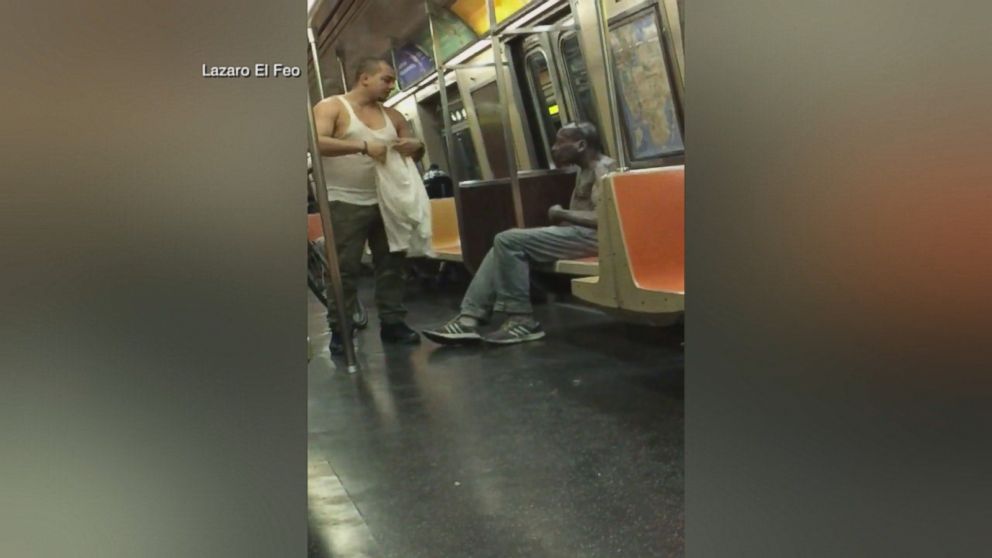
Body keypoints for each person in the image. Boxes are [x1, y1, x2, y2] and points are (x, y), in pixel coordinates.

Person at [422, 122, 616, 345]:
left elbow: (604, 219)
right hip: (579, 235)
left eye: (560, 142)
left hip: (595, 239)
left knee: (508, 239)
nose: (554, 148)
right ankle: (468, 319)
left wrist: (562, 213)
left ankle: (521, 320)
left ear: (581, 145)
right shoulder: (584, 169)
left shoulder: (603, 170)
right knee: (501, 247)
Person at [313, 57, 425, 354]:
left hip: (388, 199)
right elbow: (314, 142)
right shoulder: (332, 107)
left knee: (392, 264)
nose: (391, 85)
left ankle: (393, 322)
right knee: (344, 268)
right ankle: (342, 327)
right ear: (364, 78)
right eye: (386, 79)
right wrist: (362, 146)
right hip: (344, 199)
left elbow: (413, 147)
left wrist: (417, 146)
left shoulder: (393, 115)